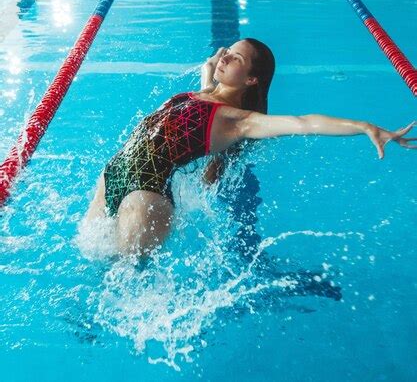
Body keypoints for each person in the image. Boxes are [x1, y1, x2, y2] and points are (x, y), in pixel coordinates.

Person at [84, 38, 416, 256]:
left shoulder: (239, 120)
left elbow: (304, 122)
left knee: (125, 281)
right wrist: (211, 71)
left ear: (252, 80)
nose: (224, 56)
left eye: (235, 57)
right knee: (92, 260)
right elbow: (200, 103)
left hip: (146, 193)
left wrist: (363, 127)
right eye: (226, 50)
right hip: (113, 174)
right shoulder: (200, 94)